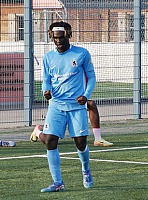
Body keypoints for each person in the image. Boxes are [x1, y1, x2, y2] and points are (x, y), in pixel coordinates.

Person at [31, 21, 96, 192]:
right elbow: (46, 79)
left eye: (61, 38)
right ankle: (58, 182)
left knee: (81, 144)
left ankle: (86, 170)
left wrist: (86, 96)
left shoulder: (81, 54)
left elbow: (92, 77)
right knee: (51, 142)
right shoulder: (48, 58)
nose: (58, 41)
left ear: (68, 35)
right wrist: (46, 90)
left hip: (76, 106)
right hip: (56, 105)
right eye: (55, 38)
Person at [31, 100, 113, 147]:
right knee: (49, 141)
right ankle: (37, 131)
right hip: (59, 105)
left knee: (91, 104)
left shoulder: (83, 71)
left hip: (74, 104)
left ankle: (98, 139)